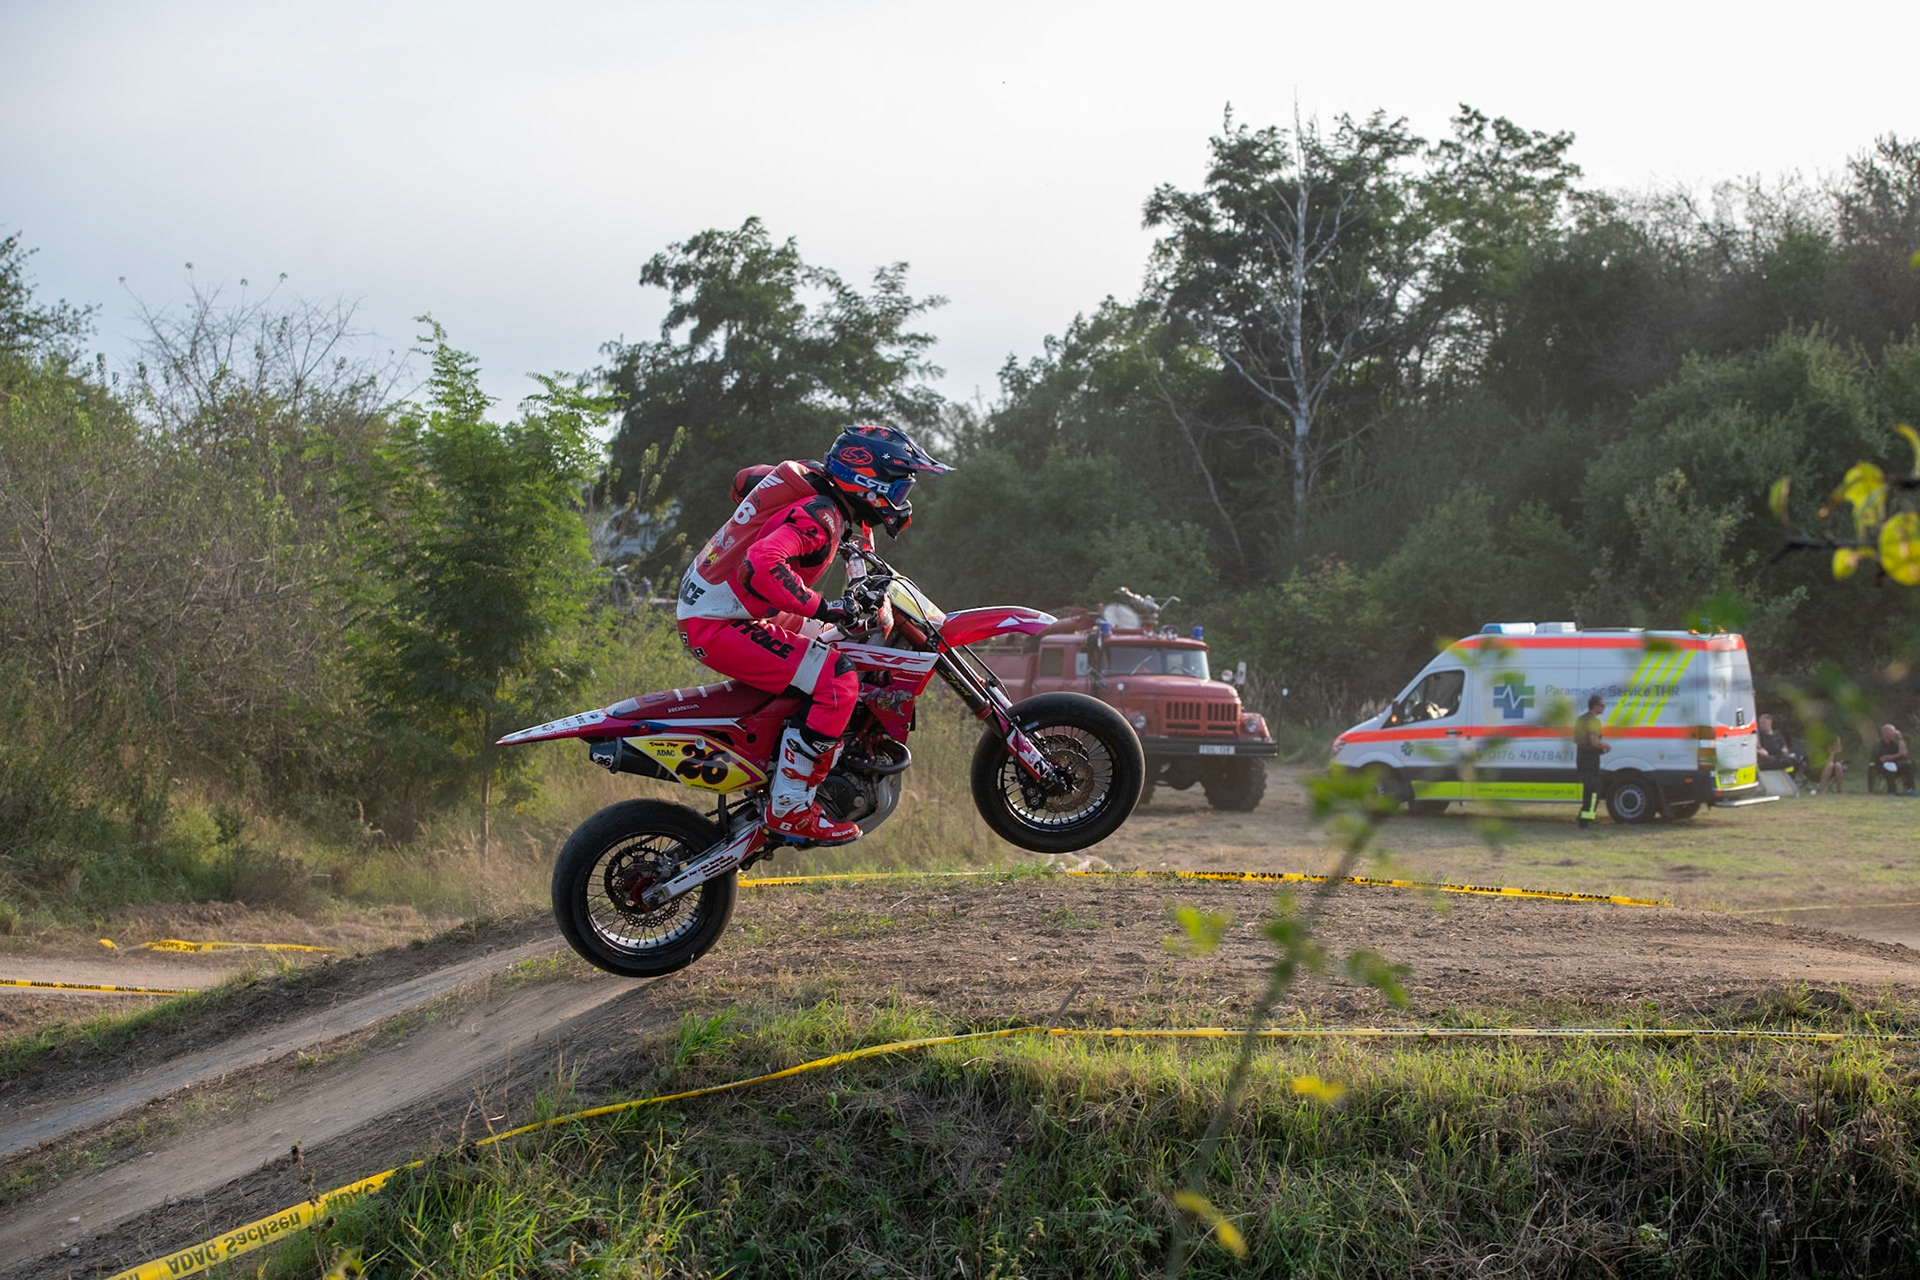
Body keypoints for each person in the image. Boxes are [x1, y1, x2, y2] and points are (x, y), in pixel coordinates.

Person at [675, 424, 952, 845]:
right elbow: (763, 565)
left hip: (725, 605)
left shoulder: (808, 480)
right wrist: (828, 606)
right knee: (838, 680)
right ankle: (789, 806)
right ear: (866, 482)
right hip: (720, 623)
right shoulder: (821, 517)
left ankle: (789, 763)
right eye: (897, 490)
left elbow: (743, 481)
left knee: (833, 642)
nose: (901, 503)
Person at [1574, 694, 1610, 829]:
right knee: (1594, 790)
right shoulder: (1594, 721)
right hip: (1591, 759)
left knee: (1587, 788)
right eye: (1602, 705)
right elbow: (1594, 742)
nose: (1603, 708)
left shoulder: (1580, 719)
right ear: (1595, 706)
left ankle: (1583, 817)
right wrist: (1605, 745)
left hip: (1581, 757)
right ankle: (1586, 820)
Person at [1869, 723, 1915, 797]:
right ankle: (1892, 791)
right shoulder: (1879, 745)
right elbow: (1882, 759)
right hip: (1882, 768)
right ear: (1886, 733)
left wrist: (1900, 739)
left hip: (1897, 765)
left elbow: (1903, 753)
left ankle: (1910, 789)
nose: (1895, 733)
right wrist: (1897, 755)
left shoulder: (1896, 742)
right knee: (1889, 767)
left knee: (1908, 766)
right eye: (1893, 731)